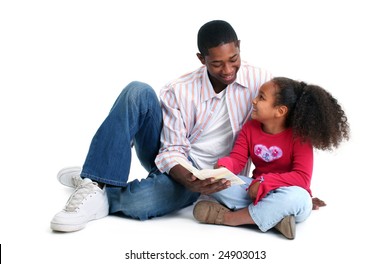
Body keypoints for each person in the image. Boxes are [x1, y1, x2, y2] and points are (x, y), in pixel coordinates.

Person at [50, 20, 274, 232]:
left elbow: (278, 129)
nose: (227, 70)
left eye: (233, 58)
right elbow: (171, 149)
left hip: (223, 175)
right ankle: (95, 185)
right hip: (180, 164)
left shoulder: (260, 80)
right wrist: (188, 178)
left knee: (140, 203)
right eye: (217, 63)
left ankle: (94, 180)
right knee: (137, 91)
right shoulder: (179, 90)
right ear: (201, 58)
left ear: (240, 47)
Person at [193, 77, 350, 239]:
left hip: (285, 191)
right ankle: (276, 219)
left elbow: (302, 178)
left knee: (299, 198)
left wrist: (264, 183)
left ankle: (229, 218)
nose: (254, 101)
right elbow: (237, 159)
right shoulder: (250, 128)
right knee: (220, 186)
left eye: (261, 97)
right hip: (254, 190)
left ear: (280, 111)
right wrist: (224, 166)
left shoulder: (299, 137)